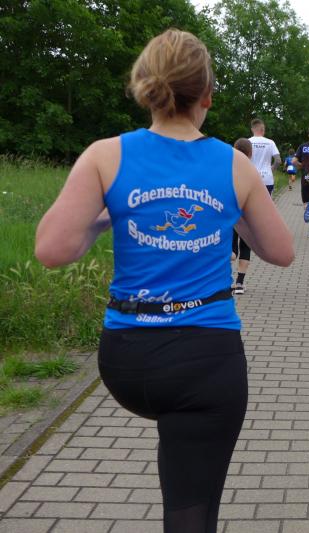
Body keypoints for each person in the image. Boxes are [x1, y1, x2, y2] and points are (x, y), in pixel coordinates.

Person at [35, 30, 294, 533]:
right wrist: (231, 211)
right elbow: (281, 252)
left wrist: (107, 217)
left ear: (145, 88)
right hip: (206, 361)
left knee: (177, 442)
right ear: (207, 96)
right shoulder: (233, 164)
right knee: (191, 509)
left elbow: (52, 250)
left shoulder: (105, 155)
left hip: (127, 361)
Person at [231, 138, 254, 294]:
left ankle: (226, 280)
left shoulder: (227, 169)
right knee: (245, 247)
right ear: (250, 153)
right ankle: (239, 283)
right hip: (247, 215)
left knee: (230, 247)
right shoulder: (252, 171)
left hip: (231, 214)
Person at [249, 118, 281, 194]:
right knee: (266, 201)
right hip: (267, 179)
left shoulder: (247, 142)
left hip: (251, 178)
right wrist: (271, 169)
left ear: (252, 129)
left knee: (251, 201)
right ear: (263, 129)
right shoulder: (270, 142)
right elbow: (278, 160)